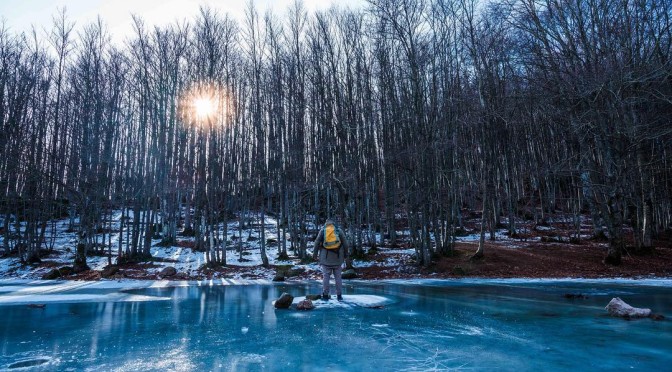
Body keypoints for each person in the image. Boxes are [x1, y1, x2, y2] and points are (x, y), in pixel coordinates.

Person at [313, 219, 349, 301]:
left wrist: (315, 254)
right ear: (333, 224)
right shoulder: (339, 230)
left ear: (326, 224)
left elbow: (316, 242)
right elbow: (345, 243)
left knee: (326, 277)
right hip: (338, 258)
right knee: (338, 277)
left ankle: (325, 295)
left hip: (325, 258)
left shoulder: (323, 231)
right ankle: (339, 295)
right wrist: (346, 254)